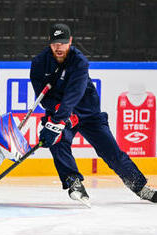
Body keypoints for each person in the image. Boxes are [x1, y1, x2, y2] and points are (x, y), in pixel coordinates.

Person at [30, 23, 157, 204]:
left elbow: (75, 93)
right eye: (55, 43)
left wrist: (61, 117)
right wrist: (58, 114)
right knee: (58, 141)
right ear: (49, 43)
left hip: (88, 113)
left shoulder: (79, 61)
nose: (59, 47)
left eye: (63, 43)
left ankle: (141, 187)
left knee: (112, 153)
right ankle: (73, 181)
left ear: (70, 42)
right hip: (60, 111)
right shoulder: (39, 63)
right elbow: (42, 97)